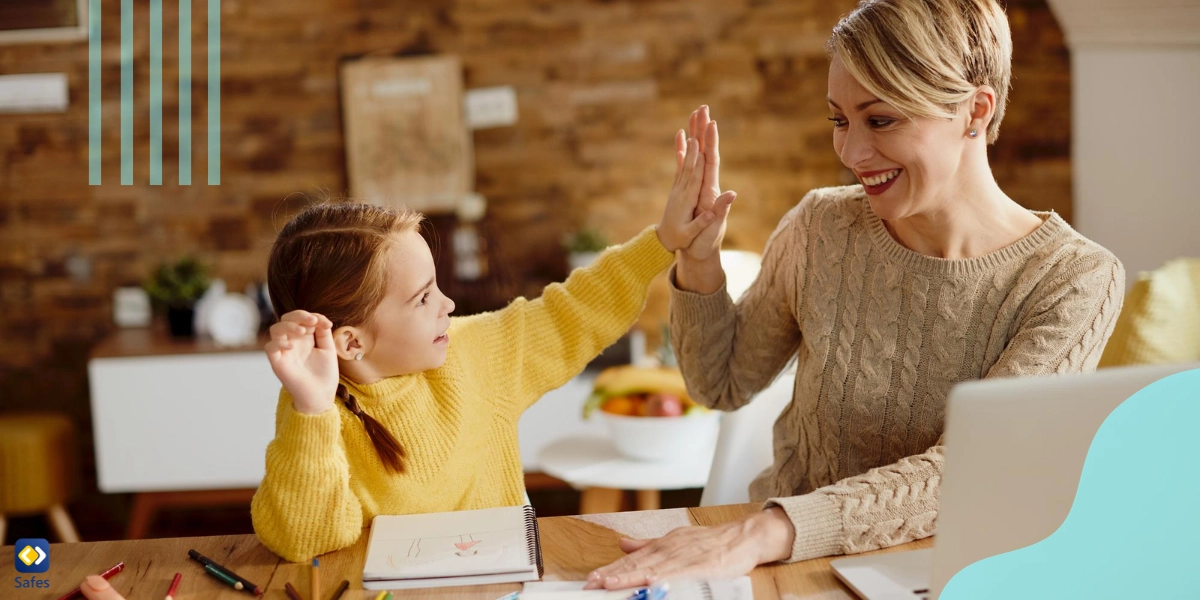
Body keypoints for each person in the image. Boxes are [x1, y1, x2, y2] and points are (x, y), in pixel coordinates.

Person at [586, 0, 1124, 589]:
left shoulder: (1073, 279)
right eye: (839, 120)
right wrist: (698, 256)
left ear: (976, 110)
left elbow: (971, 471)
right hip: (775, 570)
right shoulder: (821, 227)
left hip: (938, 577)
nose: (851, 153)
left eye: (881, 119)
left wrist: (765, 530)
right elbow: (721, 381)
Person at [249, 135, 735, 562]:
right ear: (351, 342)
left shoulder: (476, 355)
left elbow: (574, 311)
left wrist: (662, 241)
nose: (449, 304)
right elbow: (305, 541)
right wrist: (310, 410)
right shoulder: (314, 409)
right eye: (423, 298)